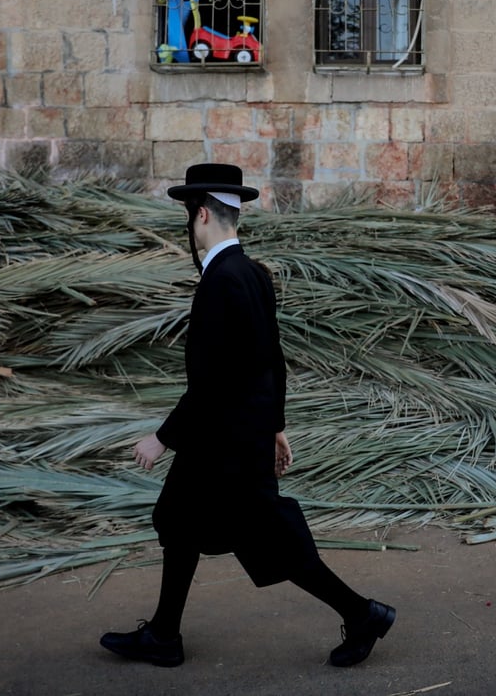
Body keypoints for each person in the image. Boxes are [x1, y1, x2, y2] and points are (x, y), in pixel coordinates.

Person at [100, 163, 395, 668]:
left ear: (199, 216)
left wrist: (162, 438)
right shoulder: (251, 273)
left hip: (226, 445)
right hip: (236, 436)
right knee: (177, 521)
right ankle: (165, 635)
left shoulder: (223, 280)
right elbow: (270, 359)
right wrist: (276, 427)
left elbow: (214, 380)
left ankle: (361, 612)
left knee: (269, 538)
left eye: (189, 218)